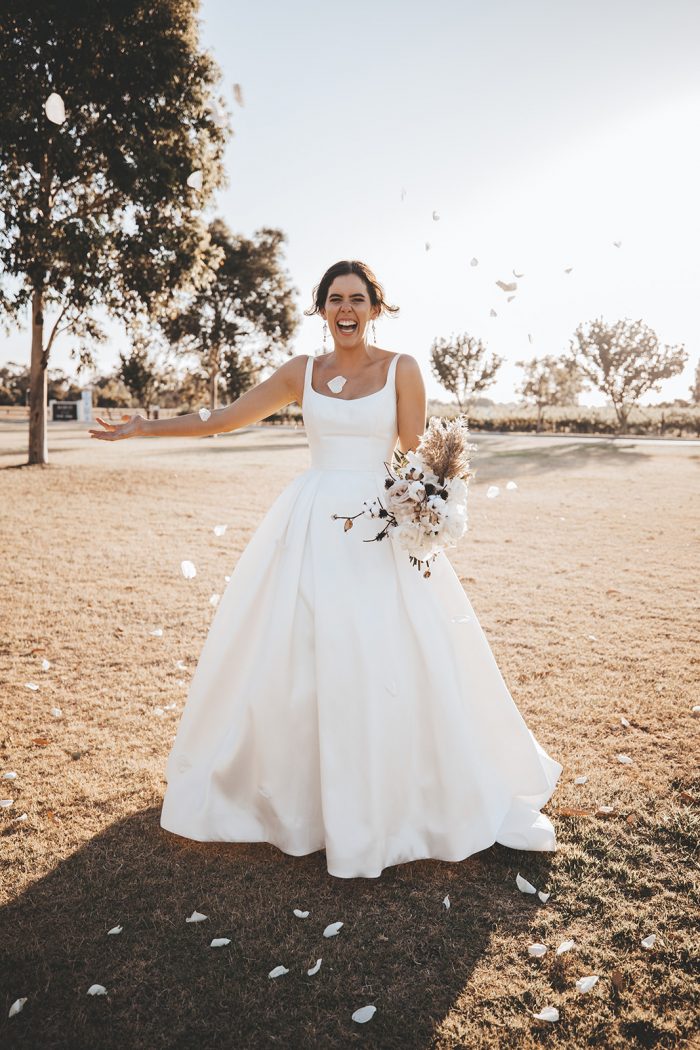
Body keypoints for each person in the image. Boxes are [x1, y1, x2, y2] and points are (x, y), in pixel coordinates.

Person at [89, 259, 562, 879]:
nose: (346, 308)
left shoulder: (402, 369)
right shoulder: (300, 373)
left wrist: (430, 506)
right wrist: (141, 427)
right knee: (297, 653)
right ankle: (297, 801)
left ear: (374, 307)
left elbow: (418, 459)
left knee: (388, 653)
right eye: (334, 298)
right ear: (321, 310)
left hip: (377, 528)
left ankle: (399, 798)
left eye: (357, 298)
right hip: (310, 525)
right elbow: (223, 419)